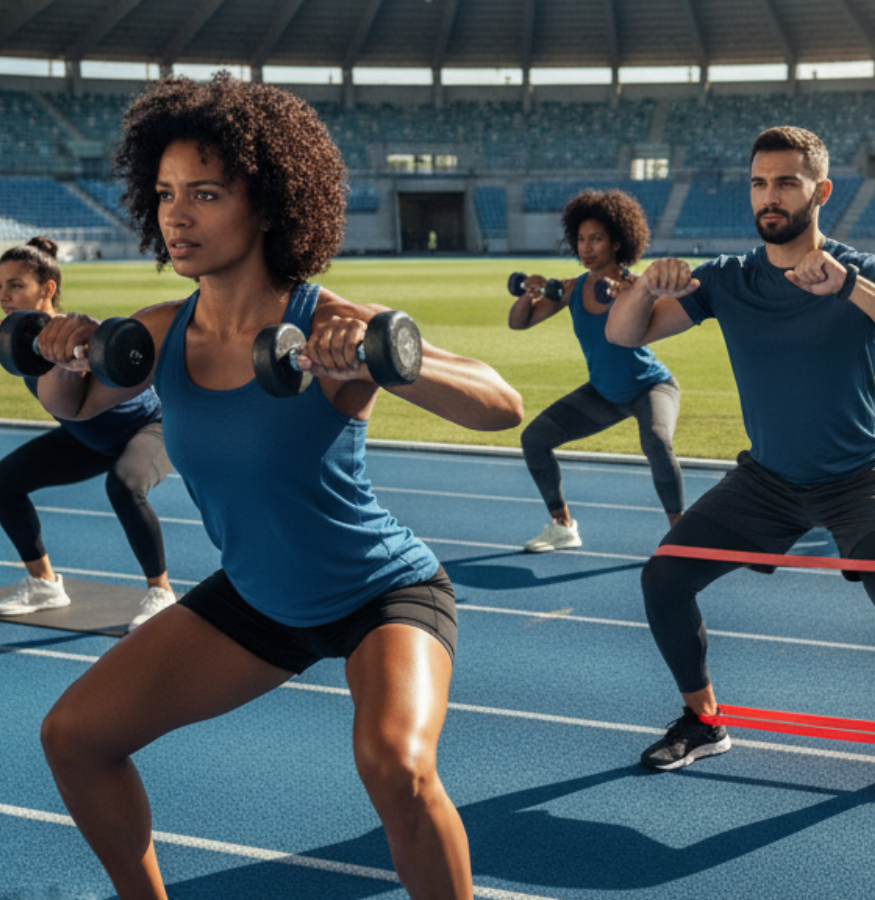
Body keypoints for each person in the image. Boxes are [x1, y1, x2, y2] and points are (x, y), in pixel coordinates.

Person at [31, 74, 523, 899]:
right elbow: (74, 403)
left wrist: (376, 354)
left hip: (380, 592)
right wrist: (61, 351)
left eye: (207, 194)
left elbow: (500, 404)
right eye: (165, 194)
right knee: (74, 736)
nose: (176, 216)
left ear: (266, 205)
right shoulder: (157, 332)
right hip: (260, 598)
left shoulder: (328, 318)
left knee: (396, 767)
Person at [605, 126, 875, 805]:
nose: (770, 195)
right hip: (766, 481)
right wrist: (647, 285)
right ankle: (704, 719)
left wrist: (849, 286)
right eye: (760, 182)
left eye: (786, 182)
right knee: (664, 578)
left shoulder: (861, 271)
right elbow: (626, 333)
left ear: (820, 192)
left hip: (859, 476)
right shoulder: (729, 276)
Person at [0, 237, 176, 631]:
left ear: (48, 289)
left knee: (125, 485)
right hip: (89, 438)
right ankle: (43, 584)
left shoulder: (74, 332)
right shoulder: (9, 329)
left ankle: (161, 591)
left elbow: (109, 372)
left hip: (146, 429)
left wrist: (81, 357)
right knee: (2, 483)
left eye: (15, 285)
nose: (4, 296)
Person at [508, 188, 684, 552]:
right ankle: (563, 527)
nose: (586, 248)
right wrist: (531, 292)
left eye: (596, 240)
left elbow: (655, 302)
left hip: (650, 387)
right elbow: (519, 324)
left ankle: (682, 536)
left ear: (617, 243)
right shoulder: (572, 289)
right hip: (604, 393)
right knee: (534, 440)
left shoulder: (636, 287)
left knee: (656, 439)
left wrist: (627, 291)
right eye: (581, 239)